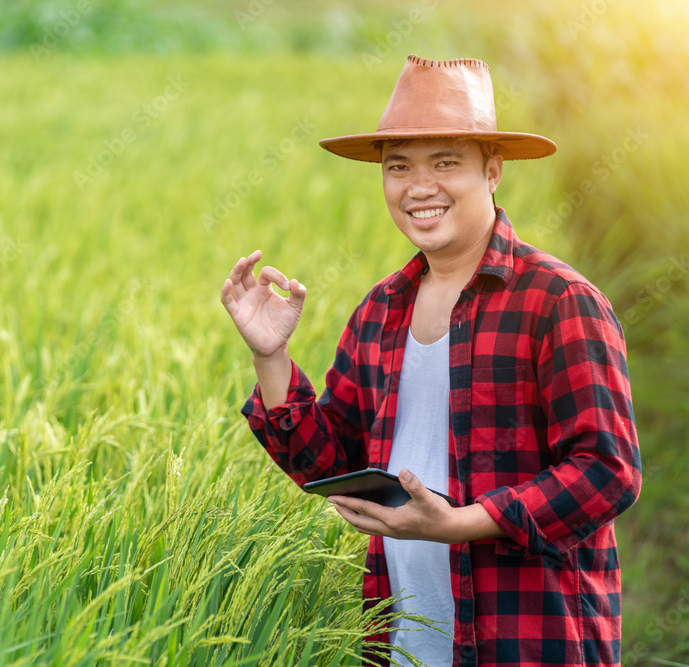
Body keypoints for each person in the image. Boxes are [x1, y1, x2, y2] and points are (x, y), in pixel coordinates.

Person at [219, 55, 641, 667]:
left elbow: (608, 472)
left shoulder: (560, 302)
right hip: (404, 639)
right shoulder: (381, 310)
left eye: (445, 162)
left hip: (525, 641)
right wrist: (272, 356)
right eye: (399, 167)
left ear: (492, 171)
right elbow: (332, 462)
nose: (419, 187)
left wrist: (462, 523)